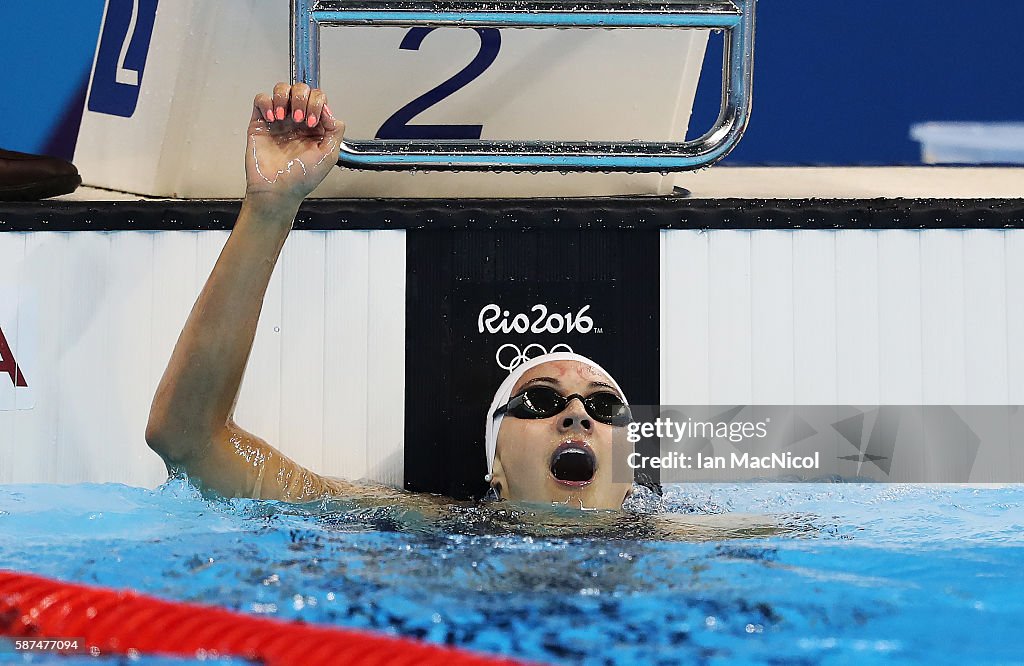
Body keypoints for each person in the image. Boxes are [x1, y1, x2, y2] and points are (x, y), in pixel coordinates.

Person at [145, 83, 785, 538]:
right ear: (495, 467)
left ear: (632, 468)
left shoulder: (705, 543)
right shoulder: (424, 526)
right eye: (538, 401)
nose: (574, 415)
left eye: (604, 406)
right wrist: (271, 207)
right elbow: (189, 441)